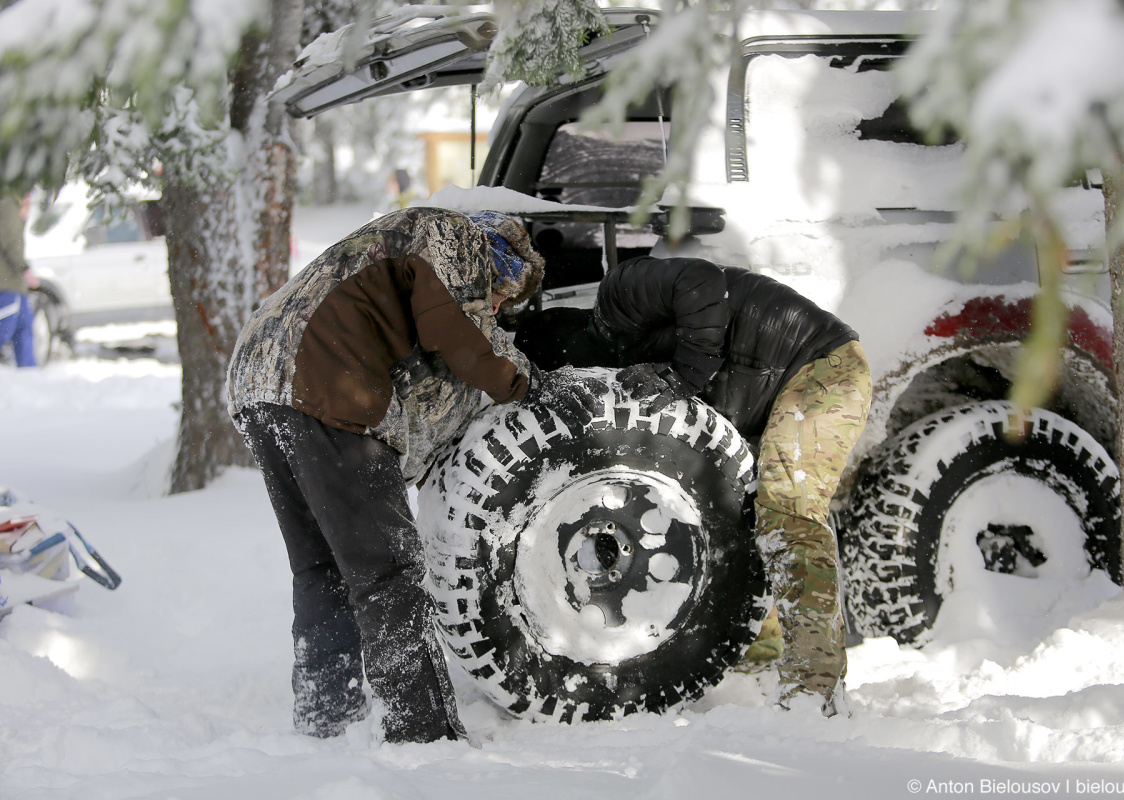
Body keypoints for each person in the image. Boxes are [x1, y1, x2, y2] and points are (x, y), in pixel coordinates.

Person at [226, 207, 594, 744]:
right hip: (324, 384)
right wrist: (530, 383)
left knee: (321, 568)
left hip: (261, 381)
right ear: (505, 262)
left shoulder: (394, 244)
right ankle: (422, 733)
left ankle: (327, 718)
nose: (497, 308)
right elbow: (458, 333)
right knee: (390, 574)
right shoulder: (456, 238)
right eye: (502, 297)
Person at [515, 255, 872, 716]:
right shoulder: (631, 362)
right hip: (774, 392)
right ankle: (761, 656)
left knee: (790, 516)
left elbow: (701, 281)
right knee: (740, 518)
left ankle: (816, 688)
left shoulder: (618, 296)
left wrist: (687, 375)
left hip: (820, 369)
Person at [0, 193, 39, 368]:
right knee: (5, 328)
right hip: (6, 282)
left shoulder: (13, 205)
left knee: (24, 328)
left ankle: (29, 372)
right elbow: (11, 242)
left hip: (15, 284)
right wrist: (25, 269)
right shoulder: (8, 205)